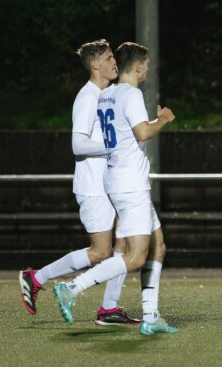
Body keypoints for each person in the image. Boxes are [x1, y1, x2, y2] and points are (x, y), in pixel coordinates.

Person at [52, 42, 180, 335]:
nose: (147, 69)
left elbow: (124, 132)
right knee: (134, 257)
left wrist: (149, 122)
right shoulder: (132, 93)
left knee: (157, 247)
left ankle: (151, 316)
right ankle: (72, 287)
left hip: (117, 180)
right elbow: (141, 132)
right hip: (130, 184)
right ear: (137, 66)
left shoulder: (107, 94)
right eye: (146, 64)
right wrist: (163, 119)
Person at [18, 39, 139, 326]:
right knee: (100, 252)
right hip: (93, 186)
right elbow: (78, 144)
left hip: (109, 184)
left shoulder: (108, 94)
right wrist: (113, 145)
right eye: (109, 58)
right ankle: (36, 278)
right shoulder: (86, 97)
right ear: (94, 64)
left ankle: (109, 308)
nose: (114, 62)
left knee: (126, 245)